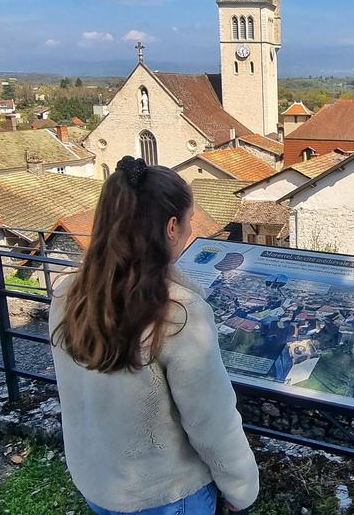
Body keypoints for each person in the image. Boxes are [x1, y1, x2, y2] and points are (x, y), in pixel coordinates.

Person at [49, 156, 259, 515]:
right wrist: (241, 490)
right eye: (190, 220)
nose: (192, 230)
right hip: (166, 494)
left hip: (99, 483)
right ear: (172, 226)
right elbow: (212, 421)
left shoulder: (69, 294)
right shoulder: (177, 314)